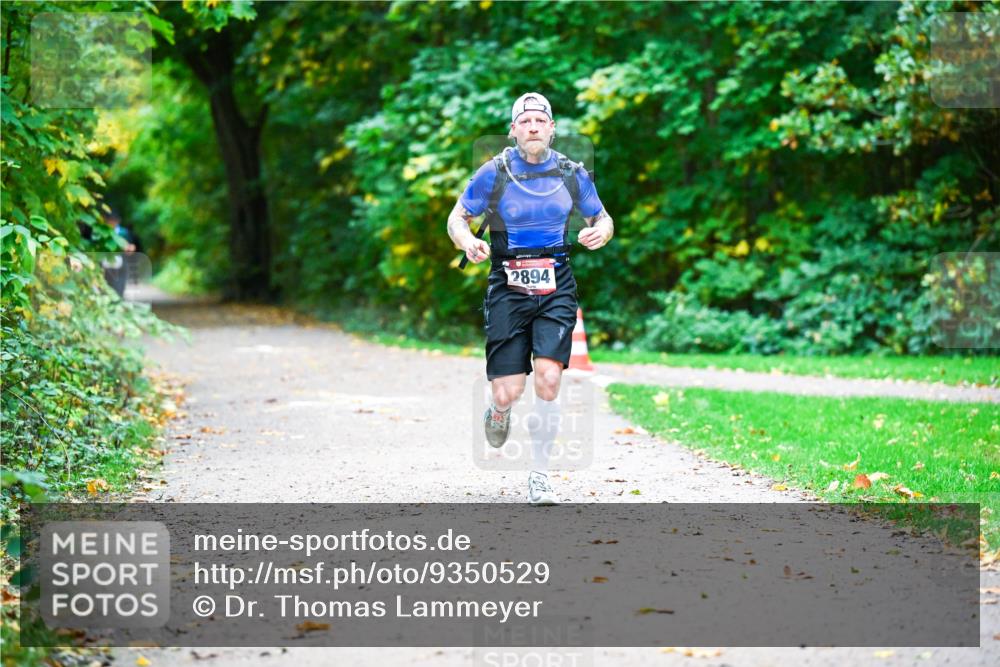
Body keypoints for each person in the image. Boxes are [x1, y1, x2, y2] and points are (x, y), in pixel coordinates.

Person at [447, 92, 614, 505]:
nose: (534, 126)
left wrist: (601, 233)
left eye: (541, 120)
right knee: (507, 390)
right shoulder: (494, 172)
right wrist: (468, 242)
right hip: (507, 284)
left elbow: (602, 217)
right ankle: (498, 410)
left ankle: (540, 475)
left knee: (550, 378)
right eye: (526, 121)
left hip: (556, 281)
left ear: (552, 128)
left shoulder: (572, 173)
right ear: (513, 130)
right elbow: (457, 218)